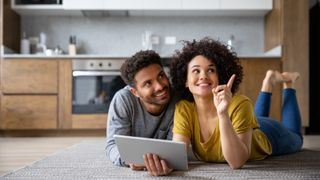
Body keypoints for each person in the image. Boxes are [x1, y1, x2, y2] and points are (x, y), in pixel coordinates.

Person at [170, 37, 303, 169]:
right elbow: (177, 154)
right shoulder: (183, 108)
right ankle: (267, 83)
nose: (203, 75)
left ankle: (289, 83)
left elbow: (237, 162)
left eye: (211, 70)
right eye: (196, 70)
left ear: (220, 77)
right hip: (244, 124)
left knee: (297, 138)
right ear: (185, 80)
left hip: (269, 134)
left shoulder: (240, 104)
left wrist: (222, 114)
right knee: (248, 117)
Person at [106, 50, 176, 176]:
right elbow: (112, 146)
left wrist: (167, 161)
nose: (160, 86)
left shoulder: (177, 99)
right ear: (135, 92)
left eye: (161, 75)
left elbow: (175, 149)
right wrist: (128, 160)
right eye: (148, 83)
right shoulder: (123, 100)